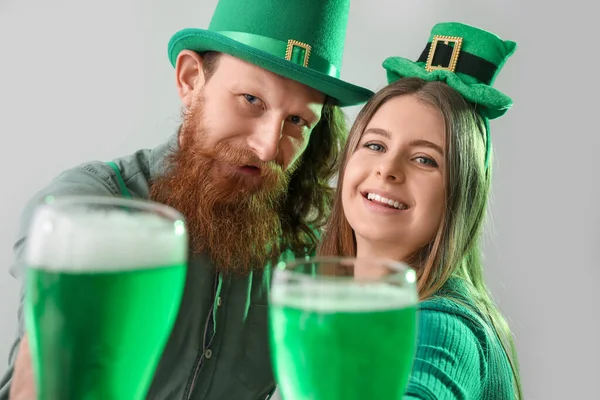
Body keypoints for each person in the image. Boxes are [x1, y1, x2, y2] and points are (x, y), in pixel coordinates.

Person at [0, 0, 374, 399]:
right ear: (191, 79)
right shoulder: (87, 208)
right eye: (251, 99)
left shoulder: (303, 255)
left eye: (297, 121)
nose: (267, 147)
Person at [319, 22, 523, 399]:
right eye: (375, 146)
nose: (388, 169)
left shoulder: (443, 326)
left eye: (424, 159)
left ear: (461, 195)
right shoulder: (343, 305)